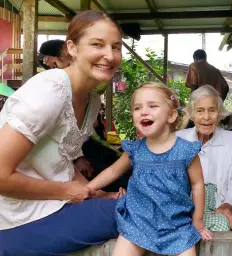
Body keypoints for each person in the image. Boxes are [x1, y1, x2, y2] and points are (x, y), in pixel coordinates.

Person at [0, 10, 123, 255]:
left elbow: (61, 161)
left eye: (116, 47)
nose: (109, 56)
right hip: (14, 220)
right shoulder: (50, 91)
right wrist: (67, 191)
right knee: (140, 209)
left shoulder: (92, 100)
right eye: (97, 44)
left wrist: (94, 194)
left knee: (128, 202)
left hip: (53, 206)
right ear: (72, 48)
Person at [87, 82, 213, 256]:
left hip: (177, 225)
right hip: (138, 223)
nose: (143, 111)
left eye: (152, 106)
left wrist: (197, 221)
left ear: (171, 115)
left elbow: (198, 184)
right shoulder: (135, 150)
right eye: (137, 108)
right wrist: (88, 188)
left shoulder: (186, 151)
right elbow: (113, 171)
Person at [176, 85, 232, 231]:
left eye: (212, 110)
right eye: (200, 111)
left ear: (219, 114)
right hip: (184, 210)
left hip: (219, 209)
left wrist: (229, 205)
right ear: (192, 114)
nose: (206, 117)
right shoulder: (178, 140)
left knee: (225, 224)